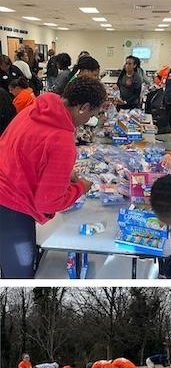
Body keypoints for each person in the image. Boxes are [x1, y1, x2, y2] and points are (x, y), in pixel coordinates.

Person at [0, 77, 105, 278]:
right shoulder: (62, 141)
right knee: (19, 275)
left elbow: (22, 150)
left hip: (8, 192)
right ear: (82, 108)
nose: (90, 119)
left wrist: (62, 174)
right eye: (92, 114)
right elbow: (47, 203)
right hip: (11, 209)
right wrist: (81, 187)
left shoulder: (35, 109)